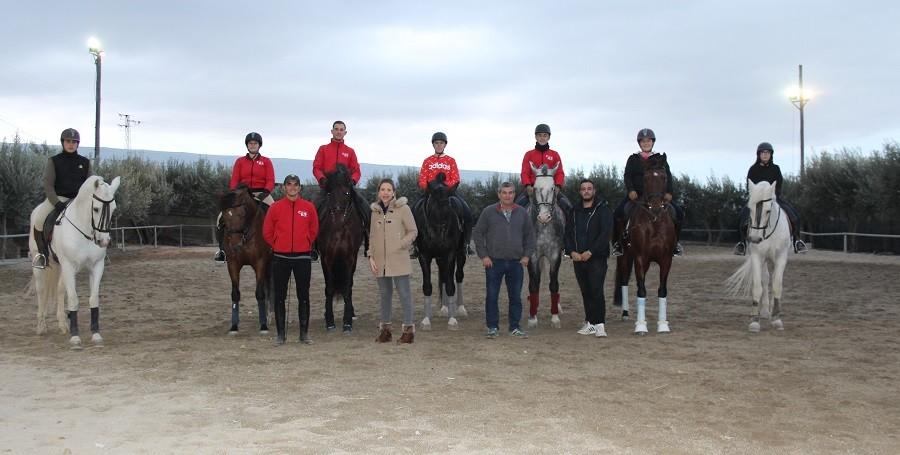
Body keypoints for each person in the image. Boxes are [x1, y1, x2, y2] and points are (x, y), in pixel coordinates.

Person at [472, 182, 536, 339]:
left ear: (515, 194)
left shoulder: (522, 213)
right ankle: (492, 327)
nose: (508, 195)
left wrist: (527, 255)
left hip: (516, 262)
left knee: (515, 297)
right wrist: (484, 255)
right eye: (504, 193)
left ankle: (515, 327)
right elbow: (478, 233)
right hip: (494, 262)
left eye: (511, 192)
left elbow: (530, 236)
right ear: (499, 194)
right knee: (492, 296)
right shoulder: (488, 212)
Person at [263, 174, 319, 345]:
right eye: (289, 184)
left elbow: (314, 228)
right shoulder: (275, 208)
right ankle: (280, 335)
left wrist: (307, 241)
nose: (292, 187)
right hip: (281, 257)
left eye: (295, 185)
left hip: (302, 257)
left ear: (300, 188)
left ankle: (304, 333)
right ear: (284, 187)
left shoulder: (308, 207)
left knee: (304, 296)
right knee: (279, 296)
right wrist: (277, 243)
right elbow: (267, 231)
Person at [612, 128, 684, 257]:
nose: (646, 143)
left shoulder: (660, 158)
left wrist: (669, 192)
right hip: (637, 195)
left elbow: (668, 176)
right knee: (618, 212)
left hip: (657, 195)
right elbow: (627, 176)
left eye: (648, 141)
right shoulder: (633, 158)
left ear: (653, 142)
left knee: (678, 212)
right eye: (643, 141)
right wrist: (631, 190)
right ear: (639, 143)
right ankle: (618, 243)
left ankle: (675, 244)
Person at [733, 142, 808, 255]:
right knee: (742, 217)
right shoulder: (753, 169)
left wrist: (773, 195)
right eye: (763, 153)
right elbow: (750, 186)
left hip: (773, 198)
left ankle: (797, 241)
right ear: (759, 154)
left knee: (794, 215)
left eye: (767, 153)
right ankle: (742, 243)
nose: (765, 155)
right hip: (757, 200)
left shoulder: (776, 169)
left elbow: (779, 184)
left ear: (771, 155)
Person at [368, 179, 419, 344]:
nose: (385, 193)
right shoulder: (375, 212)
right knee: (384, 295)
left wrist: (401, 244)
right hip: (380, 261)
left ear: (394, 192)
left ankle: (408, 330)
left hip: (398, 258)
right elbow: (372, 236)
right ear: (378, 192)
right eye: (382, 189)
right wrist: (371, 256)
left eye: (389, 189)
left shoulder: (403, 209)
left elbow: (413, 231)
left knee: (404, 294)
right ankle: (386, 330)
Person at [32, 128, 91, 269]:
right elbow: (48, 185)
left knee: (98, 217)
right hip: (58, 198)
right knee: (39, 220)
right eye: (68, 141)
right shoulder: (54, 161)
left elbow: (90, 184)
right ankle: (42, 255)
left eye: (74, 142)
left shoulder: (85, 162)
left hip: (78, 201)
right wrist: (57, 203)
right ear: (63, 143)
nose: (71, 144)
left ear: (78, 144)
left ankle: (99, 250)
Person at [311, 120, 369, 260]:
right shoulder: (323, 149)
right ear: (332, 131)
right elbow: (316, 167)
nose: (338, 131)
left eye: (341, 129)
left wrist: (352, 181)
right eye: (336, 129)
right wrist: (322, 179)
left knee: (365, 208)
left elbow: (356, 170)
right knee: (313, 207)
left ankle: (368, 242)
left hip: (345, 188)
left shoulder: (350, 151)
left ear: (345, 132)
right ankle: (312, 245)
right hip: (328, 188)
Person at [214, 132, 275, 262]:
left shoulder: (266, 161)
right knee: (220, 218)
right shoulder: (240, 161)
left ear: (259, 145)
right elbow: (234, 180)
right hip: (242, 194)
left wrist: (266, 191)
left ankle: (275, 248)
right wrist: (236, 193)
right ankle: (222, 250)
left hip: (261, 193)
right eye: (250, 143)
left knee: (276, 213)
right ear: (247, 145)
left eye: (255, 143)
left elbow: (271, 179)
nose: (253, 145)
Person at [411, 132, 474, 257]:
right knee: (413, 210)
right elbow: (422, 179)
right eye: (436, 143)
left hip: (448, 193)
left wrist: (445, 187)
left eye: (441, 143)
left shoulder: (451, 161)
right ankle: (416, 246)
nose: (439, 145)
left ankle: (466, 244)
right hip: (431, 193)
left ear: (445, 144)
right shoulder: (427, 161)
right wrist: (431, 187)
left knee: (467, 211)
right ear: (433, 145)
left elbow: (455, 178)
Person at [564, 179, 613, 337]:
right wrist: (571, 251)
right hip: (578, 258)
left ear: (594, 191)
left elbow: (605, 234)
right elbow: (568, 233)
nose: (586, 191)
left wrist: (591, 251)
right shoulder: (574, 211)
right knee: (585, 291)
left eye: (589, 188)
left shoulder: (603, 210)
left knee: (596, 290)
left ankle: (600, 325)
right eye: (583, 189)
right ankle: (590, 322)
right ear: (580, 192)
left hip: (596, 258)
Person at [517, 123, 573, 217]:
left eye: (545, 135)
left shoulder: (555, 154)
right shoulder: (529, 154)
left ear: (548, 137)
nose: (542, 138)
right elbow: (524, 172)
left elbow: (559, 172)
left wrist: (558, 186)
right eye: (539, 135)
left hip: (551, 189)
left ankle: (571, 229)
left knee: (568, 207)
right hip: (533, 188)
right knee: (517, 207)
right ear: (535, 137)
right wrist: (527, 186)